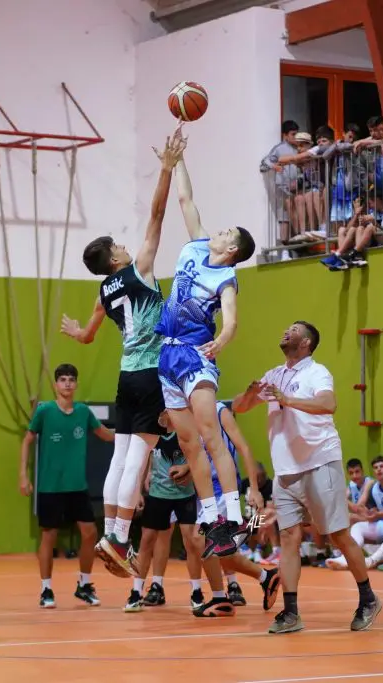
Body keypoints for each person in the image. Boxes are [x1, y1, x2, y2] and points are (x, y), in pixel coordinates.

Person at [62, 130, 186, 577]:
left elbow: (89, 334)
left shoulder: (104, 291)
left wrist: (77, 333)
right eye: (118, 246)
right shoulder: (139, 270)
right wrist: (166, 168)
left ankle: (112, 535)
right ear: (115, 260)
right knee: (138, 458)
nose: (125, 246)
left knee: (120, 456)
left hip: (126, 376)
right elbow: (157, 214)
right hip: (151, 373)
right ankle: (117, 537)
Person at [231, 321, 380, 635]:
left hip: (319, 462)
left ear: (307, 342)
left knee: (338, 535)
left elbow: (328, 404)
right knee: (288, 538)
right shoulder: (274, 375)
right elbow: (241, 408)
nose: (287, 330)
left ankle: (368, 599)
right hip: (285, 471)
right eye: (287, 327)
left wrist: (287, 400)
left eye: (295, 329)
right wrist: (250, 393)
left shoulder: (317, 372)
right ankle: (291, 612)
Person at [155, 144, 258, 557]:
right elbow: (185, 199)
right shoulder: (196, 246)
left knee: (210, 434)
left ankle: (233, 516)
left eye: (226, 233)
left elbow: (231, 320)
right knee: (188, 442)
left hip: (196, 354)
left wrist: (224, 340)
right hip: (167, 355)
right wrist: (178, 159)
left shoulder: (226, 278)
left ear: (231, 249)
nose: (219, 230)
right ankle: (211, 516)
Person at [19, 363, 115, 608]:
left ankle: (84, 585)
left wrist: (132, 433)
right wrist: (23, 475)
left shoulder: (83, 412)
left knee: (90, 533)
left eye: (71, 379)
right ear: (56, 385)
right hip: (50, 487)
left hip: (77, 486)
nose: (67, 383)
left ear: (76, 384)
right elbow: (27, 440)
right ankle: (46, 589)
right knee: (49, 537)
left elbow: (105, 434)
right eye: (62, 379)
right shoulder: (45, 411)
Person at [194, 402, 281, 617]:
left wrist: (254, 488)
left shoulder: (219, 410)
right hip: (204, 490)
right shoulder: (187, 413)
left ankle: (220, 599)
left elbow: (244, 448)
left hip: (224, 488)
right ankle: (266, 577)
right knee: (222, 551)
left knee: (202, 540)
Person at [125, 410, 204, 612]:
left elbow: (199, 455)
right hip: (158, 495)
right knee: (146, 541)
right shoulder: (152, 432)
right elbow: (142, 461)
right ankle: (136, 592)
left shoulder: (186, 429)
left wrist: (187, 469)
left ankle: (197, 591)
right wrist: (138, 491)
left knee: (191, 541)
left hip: (184, 495)